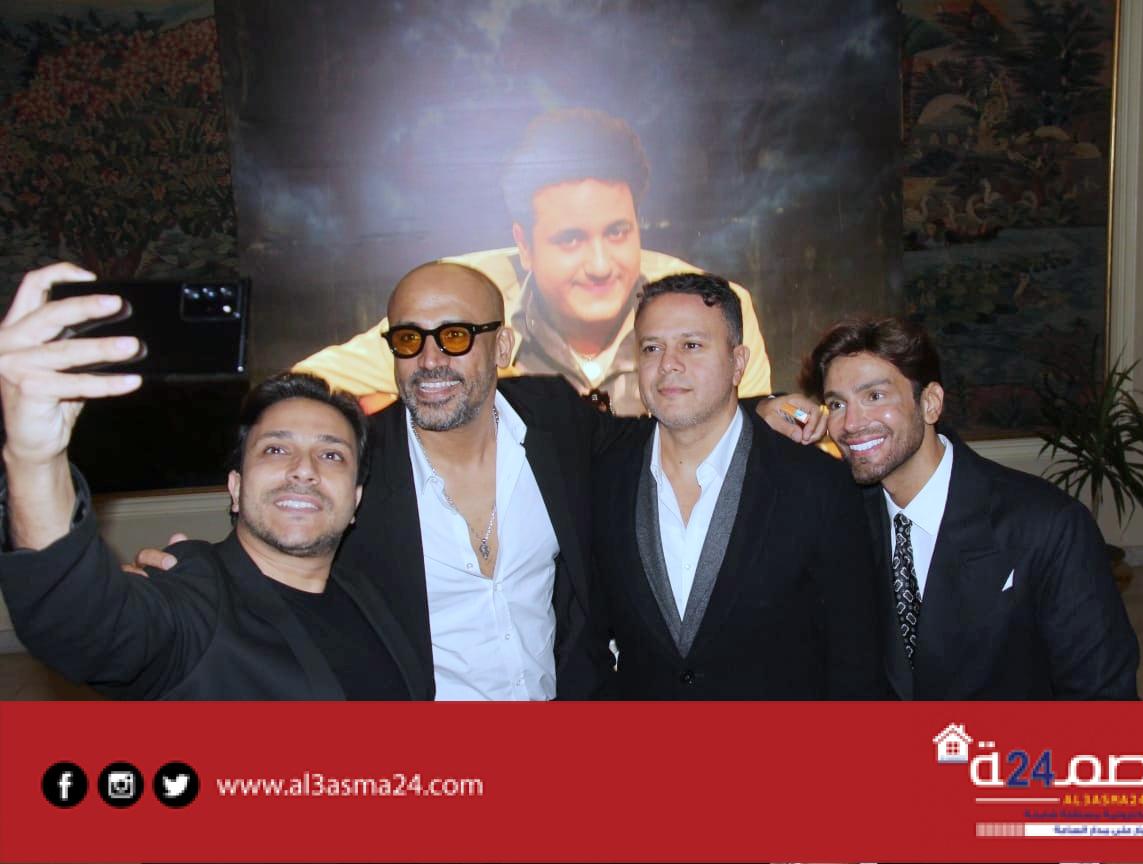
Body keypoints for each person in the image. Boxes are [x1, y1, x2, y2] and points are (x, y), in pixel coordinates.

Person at [139, 261, 797, 699]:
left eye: (454, 336)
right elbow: (284, 533)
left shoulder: (554, 418)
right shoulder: (361, 458)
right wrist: (197, 577)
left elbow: (653, 437)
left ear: (502, 349)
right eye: (408, 339)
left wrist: (755, 410)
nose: (429, 360)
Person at [0, 264, 428, 699]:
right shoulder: (195, 593)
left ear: (355, 500)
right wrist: (33, 457)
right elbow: (84, 624)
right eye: (276, 449)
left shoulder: (365, 593)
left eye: (331, 454)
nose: (304, 468)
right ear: (236, 488)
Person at [293, 108, 771, 415]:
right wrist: (416, 415)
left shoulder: (711, 307)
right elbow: (297, 393)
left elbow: (758, 449)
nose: (601, 264)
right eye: (571, 239)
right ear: (524, 245)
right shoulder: (463, 301)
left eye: (617, 232)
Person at [799, 316, 1140, 699]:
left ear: (930, 403)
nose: (850, 423)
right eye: (837, 403)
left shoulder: (1047, 525)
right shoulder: (844, 519)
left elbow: (1103, 699)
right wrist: (765, 413)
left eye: (875, 396)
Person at [590, 273, 888, 699]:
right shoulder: (604, 477)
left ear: (738, 363)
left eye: (691, 345)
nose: (668, 363)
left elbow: (854, 659)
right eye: (652, 347)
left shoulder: (817, 485)